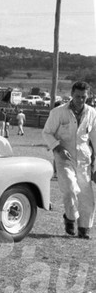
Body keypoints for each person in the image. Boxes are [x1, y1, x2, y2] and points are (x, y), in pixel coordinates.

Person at [42, 81, 96, 239]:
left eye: (84, 97)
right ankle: (71, 218)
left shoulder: (92, 113)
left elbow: (95, 137)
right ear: (72, 95)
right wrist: (57, 147)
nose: (80, 100)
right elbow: (47, 133)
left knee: (86, 196)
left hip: (84, 159)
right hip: (64, 158)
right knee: (70, 189)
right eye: (78, 96)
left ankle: (84, 228)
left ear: (88, 96)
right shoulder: (58, 112)